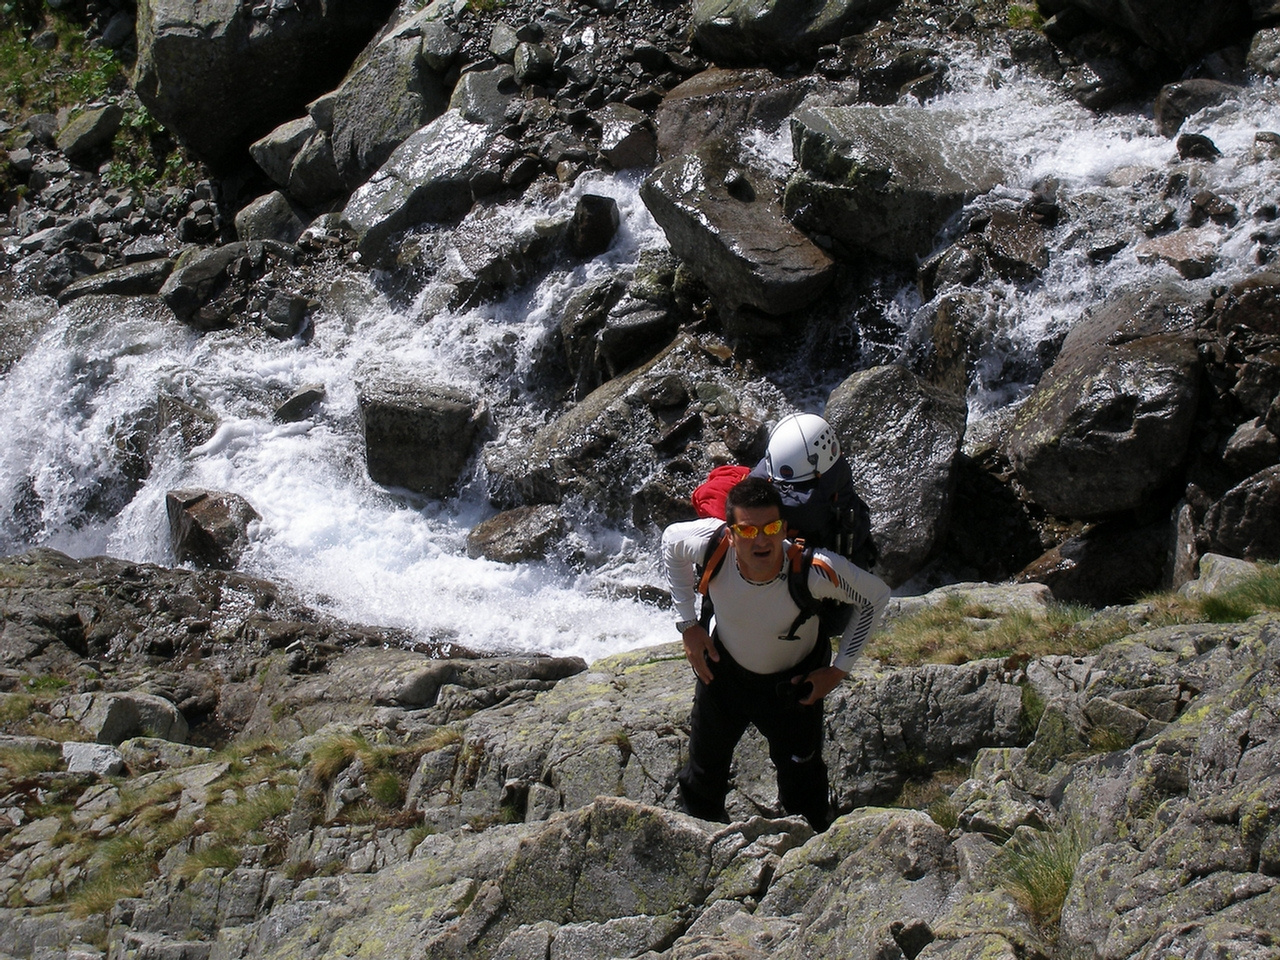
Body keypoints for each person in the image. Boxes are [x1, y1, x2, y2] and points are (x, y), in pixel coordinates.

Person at [662, 475, 890, 831]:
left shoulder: (813, 571)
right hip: (724, 677)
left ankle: (811, 846)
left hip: (793, 689)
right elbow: (670, 542)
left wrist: (837, 671)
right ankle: (703, 840)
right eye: (749, 531)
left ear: (784, 528)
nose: (762, 540)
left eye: (772, 528)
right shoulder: (710, 546)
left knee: (804, 786)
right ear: (731, 532)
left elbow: (875, 597)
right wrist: (688, 625)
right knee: (703, 774)